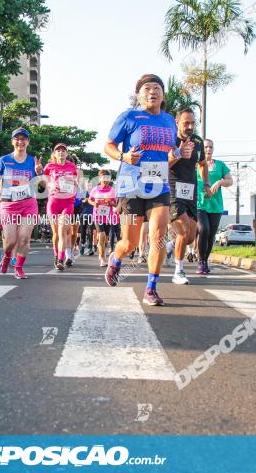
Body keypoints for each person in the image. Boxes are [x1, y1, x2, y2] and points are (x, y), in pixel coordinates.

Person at [103, 73, 195, 305]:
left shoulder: (167, 122)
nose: (151, 92)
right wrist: (123, 156)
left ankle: (151, 288)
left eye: (156, 88)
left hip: (158, 185)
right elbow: (108, 146)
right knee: (130, 243)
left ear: (163, 95)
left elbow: (168, 157)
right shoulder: (129, 117)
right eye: (146, 89)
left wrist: (177, 154)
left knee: (158, 237)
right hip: (131, 185)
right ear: (138, 95)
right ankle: (116, 259)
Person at [0, 128, 44, 279]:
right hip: (8, 204)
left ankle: (19, 267)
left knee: (24, 239)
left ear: (28, 142)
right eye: (17, 139)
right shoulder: (4, 160)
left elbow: (42, 188)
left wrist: (40, 173)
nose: (20, 142)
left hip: (28, 203)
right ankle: (7, 256)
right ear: (12, 142)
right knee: (10, 241)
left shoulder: (32, 162)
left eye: (24, 139)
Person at [168, 109, 209, 284]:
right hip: (172, 189)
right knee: (184, 230)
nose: (190, 126)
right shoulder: (170, 139)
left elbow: (202, 164)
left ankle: (170, 246)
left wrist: (206, 183)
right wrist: (179, 153)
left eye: (193, 123)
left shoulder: (198, 142)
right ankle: (179, 271)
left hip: (191, 190)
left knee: (191, 236)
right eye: (186, 123)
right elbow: (165, 162)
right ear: (177, 123)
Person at [196, 139, 232, 274]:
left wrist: (220, 182)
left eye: (210, 147)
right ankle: (200, 260)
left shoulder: (220, 165)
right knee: (203, 229)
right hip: (200, 203)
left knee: (211, 235)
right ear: (201, 149)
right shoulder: (197, 165)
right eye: (205, 147)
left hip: (216, 206)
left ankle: (205, 260)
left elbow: (230, 181)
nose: (208, 149)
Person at [43, 143, 79, 271]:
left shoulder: (72, 166)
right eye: (58, 150)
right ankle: (56, 254)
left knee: (63, 231)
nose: (61, 152)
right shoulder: (49, 166)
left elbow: (76, 182)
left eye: (63, 150)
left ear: (67, 153)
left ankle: (60, 259)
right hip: (53, 202)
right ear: (54, 153)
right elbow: (43, 182)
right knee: (56, 233)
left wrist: (74, 187)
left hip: (67, 203)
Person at [89, 169, 120, 267]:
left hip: (107, 216)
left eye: (108, 178)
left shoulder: (112, 190)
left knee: (105, 239)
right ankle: (102, 258)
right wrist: (94, 203)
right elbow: (90, 200)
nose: (106, 180)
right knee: (101, 235)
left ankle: (102, 251)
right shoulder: (95, 189)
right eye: (104, 178)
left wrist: (111, 203)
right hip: (97, 215)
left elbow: (116, 204)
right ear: (100, 178)